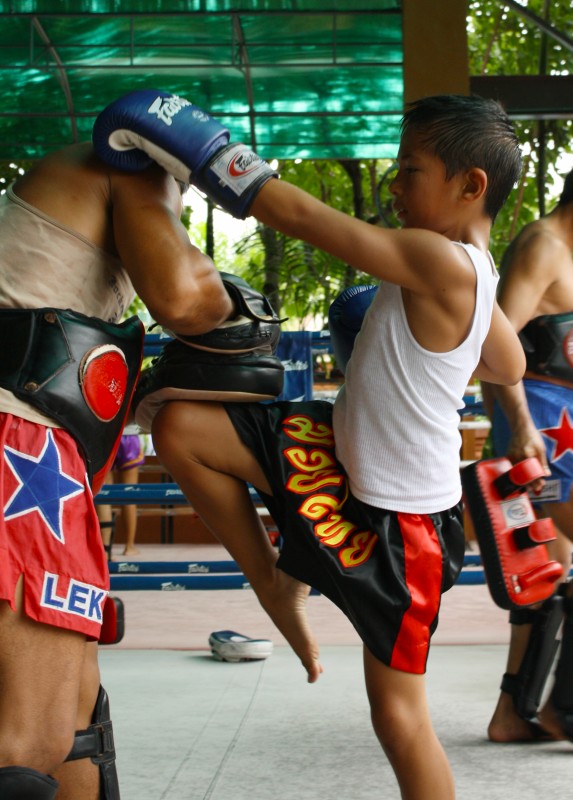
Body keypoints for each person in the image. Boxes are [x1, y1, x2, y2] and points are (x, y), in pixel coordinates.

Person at [99, 91, 525, 800]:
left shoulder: (438, 261)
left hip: (403, 527)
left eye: (409, 169)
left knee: (397, 718)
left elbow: (298, 216)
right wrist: (438, 356)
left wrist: (203, 147)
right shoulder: (473, 273)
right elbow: (508, 364)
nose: (393, 185)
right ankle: (274, 582)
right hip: (335, 450)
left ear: (468, 184)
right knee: (179, 427)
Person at [0, 139, 233, 798]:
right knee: (28, 747)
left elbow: (55, 361)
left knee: (80, 732)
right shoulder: (135, 167)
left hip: (41, 455)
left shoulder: (73, 232)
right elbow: (189, 303)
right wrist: (224, 298)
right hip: (21, 452)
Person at [481, 168, 573, 744]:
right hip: (538, 432)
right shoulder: (544, 246)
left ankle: (514, 713)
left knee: (548, 572)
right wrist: (518, 427)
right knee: (551, 566)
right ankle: (565, 707)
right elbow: (494, 343)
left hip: (562, 425)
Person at [98, 433, 146, 558]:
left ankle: (105, 549)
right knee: (130, 495)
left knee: (104, 494)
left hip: (107, 435)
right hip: (130, 437)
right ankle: (129, 546)